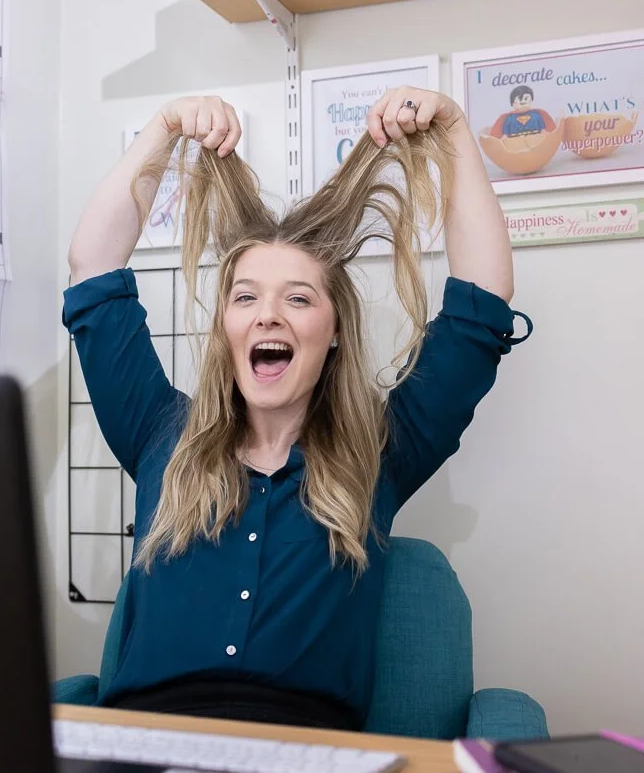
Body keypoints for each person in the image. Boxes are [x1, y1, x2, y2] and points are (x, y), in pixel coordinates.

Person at [64, 88, 531, 731]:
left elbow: (482, 302)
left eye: (299, 299)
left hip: (309, 758)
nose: (268, 315)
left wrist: (450, 126)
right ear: (226, 324)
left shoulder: (381, 453)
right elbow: (92, 268)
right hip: (147, 749)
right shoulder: (159, 434)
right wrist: (164, 128)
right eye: (246, 296)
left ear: (334, 329)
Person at [490, 86, 556, 139]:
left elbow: (542, 129)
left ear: (531, 101)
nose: (523, 102)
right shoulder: (509, 119)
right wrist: (505, 136)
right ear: (513, 104)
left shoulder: (536, 116)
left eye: (526, 99)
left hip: (535, 140)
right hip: (515, 141)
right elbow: (505, 132)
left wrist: (544, 133)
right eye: (519, 100)